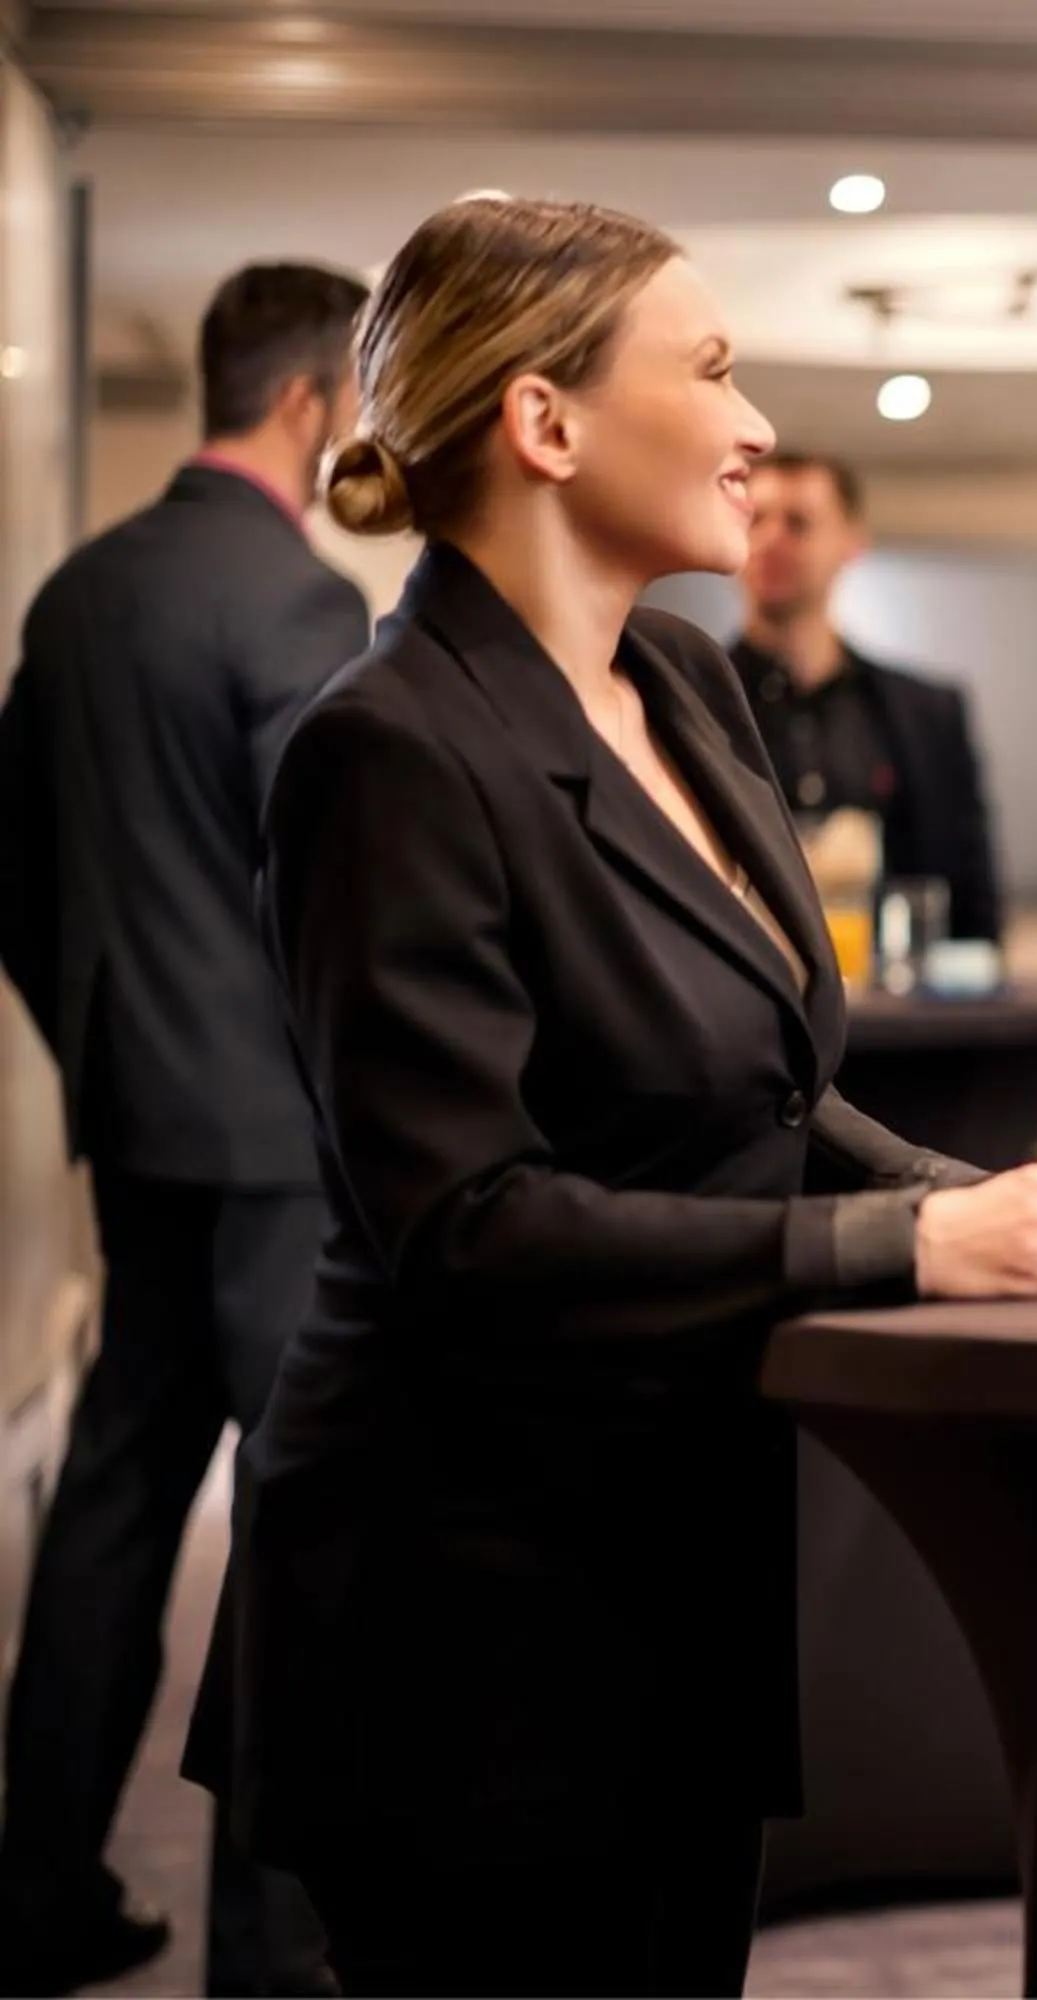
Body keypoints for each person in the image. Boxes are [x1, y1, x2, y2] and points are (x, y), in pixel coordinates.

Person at [182, 195, 1037, 1996]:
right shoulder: (386, 748)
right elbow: (468, 1231)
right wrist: (911, 1240)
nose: (755, 430)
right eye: (717, 371)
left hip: (673, 1551)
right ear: (546, 422)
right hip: (459, 1601)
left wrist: (1004, 1207)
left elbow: (778, 1088)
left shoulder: (679, 674)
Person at [0, 261, 371, 1998]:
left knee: (114, 1507)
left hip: (131, 1126)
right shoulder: (293, 604)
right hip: (272, 1147)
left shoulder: (77, 597)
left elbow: (18, 869)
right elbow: (332, 897)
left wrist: (107, 1040)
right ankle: (269, 1957)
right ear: (309, 404)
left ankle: (40, 1891)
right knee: (303, 1537)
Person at [732, 449, 1004, 940]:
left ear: (851, 544)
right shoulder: (680, 699)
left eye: (798, 523)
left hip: (898, 1004)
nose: (771, 539)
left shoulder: (928, 714)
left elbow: (972, 892)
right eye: (755, 520)